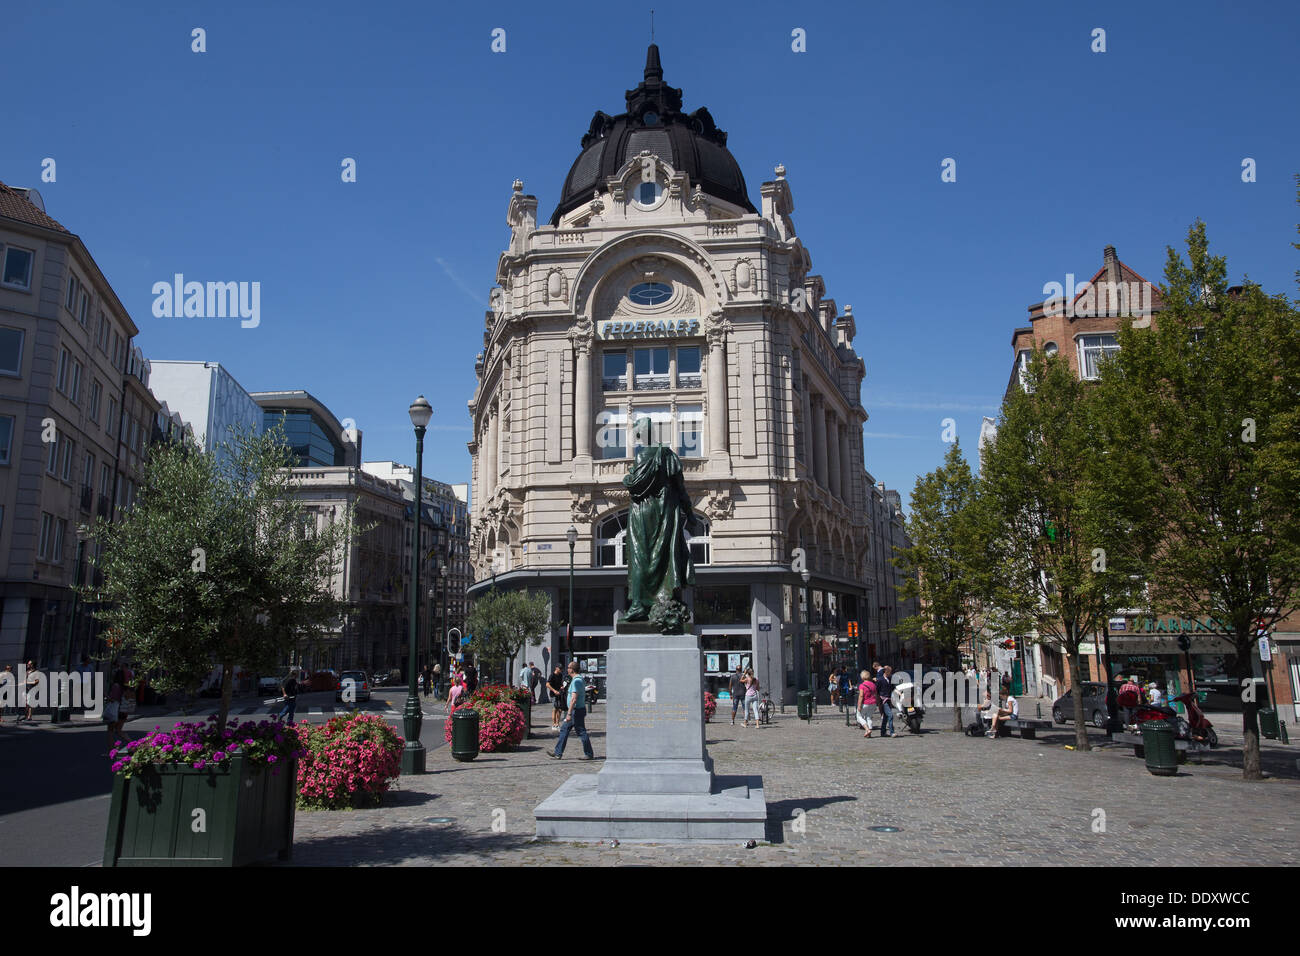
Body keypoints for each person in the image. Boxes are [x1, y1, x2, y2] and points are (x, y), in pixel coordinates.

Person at [551, 661, 594, 760]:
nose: (567, 669)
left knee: (581, 731)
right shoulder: (576, 680)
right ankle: (558, 753)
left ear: (572, 669)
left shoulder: (577, 681)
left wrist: (569, 713)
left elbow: (574, 698)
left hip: (576, 711)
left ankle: (589, 753)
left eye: (569, 667)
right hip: (576, 710)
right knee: (564, 729)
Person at [857, 669, 878, 737]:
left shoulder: (862, 685)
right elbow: (876, 694)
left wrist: (859, 705)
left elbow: (861, 696)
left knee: (859, 717)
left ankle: (867, 729)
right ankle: (869, 733)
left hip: (865, 703)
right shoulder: (873, 684)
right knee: (868, 717)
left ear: (862, 677)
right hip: (873, 703)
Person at [876, 665, 895, 737]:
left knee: (885, 717)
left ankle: (883, 732)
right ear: (886, 672)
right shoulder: (880, 680)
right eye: (890, 672)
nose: (891, 673)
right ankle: (892, 732)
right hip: (883, 700)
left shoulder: (890, 679)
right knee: (890, 715)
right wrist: (879, 702)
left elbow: (893, 688)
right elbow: (877, 691)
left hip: (889, 699)